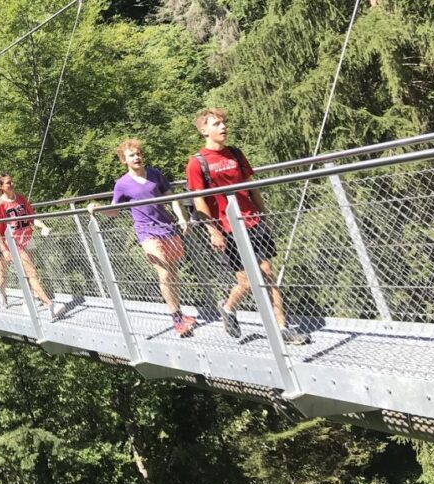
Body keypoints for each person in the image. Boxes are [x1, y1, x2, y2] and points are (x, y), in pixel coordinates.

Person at [186, 108, 309, 345]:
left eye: (223, 122)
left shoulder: (235, 154)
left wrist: (264, 213)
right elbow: (199, 199)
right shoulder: (197, 162)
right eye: (216, 124)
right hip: (227, 227)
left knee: (268, 274)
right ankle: (229, 307)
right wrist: (213, 231)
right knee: (247, 282)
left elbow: (251, 186)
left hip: (252, 220)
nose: (223, 127)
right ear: (204, 131)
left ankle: (283, 328)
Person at [89, 139, 197, 337]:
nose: (137, 157)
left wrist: (182, 218)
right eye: (132, 155)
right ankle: (177, 319)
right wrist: (97, 208)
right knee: (164, 272)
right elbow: (114, 211)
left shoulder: (155, 174)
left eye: (138, 153)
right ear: (124, 160)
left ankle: (180, 312)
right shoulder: (122, 184)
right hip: (146, 231)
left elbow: (171, 197)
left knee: (173, 272)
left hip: (167, 227)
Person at [0, 173, 65, 319]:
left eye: (12, 182)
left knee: (30, 272)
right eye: (7, 183)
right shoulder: (0, 205)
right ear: (0, 187)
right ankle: (50, 305)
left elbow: (32, 218)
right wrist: (4, 249)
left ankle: (29, 300)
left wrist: (43, 226)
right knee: (32, 273)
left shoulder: (21, 198)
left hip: (28, 239)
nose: (11, 184)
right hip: (15, 243)